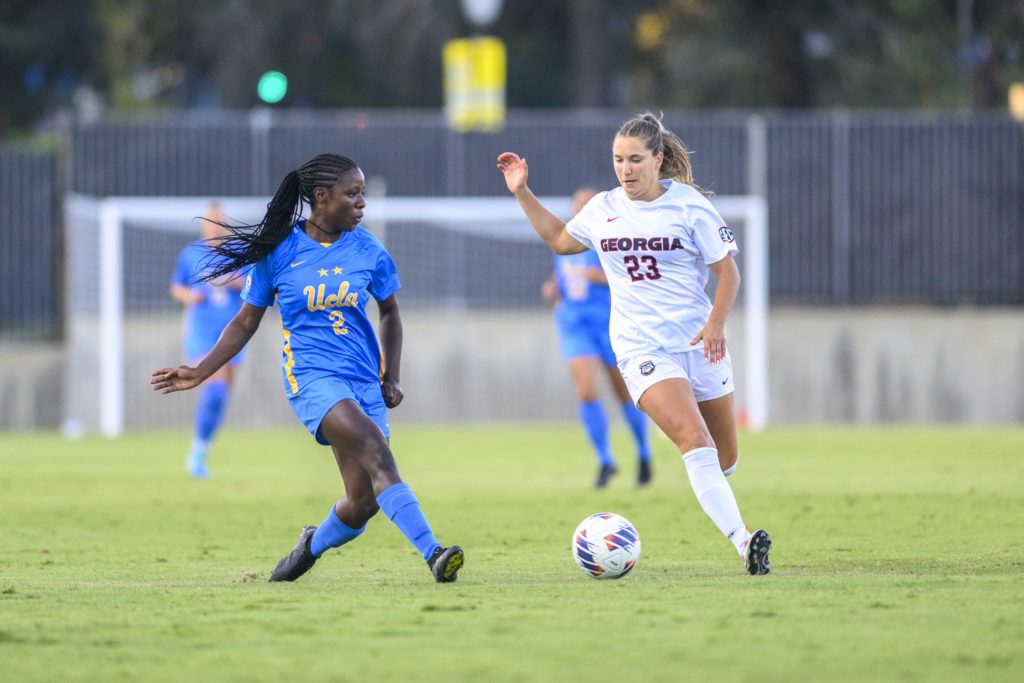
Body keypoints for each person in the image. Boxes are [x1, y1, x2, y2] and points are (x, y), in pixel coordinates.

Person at [152, 153, 464, 584]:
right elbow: (245, 321)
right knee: (379, 454)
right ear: (322, 198)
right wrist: (202, 370)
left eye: (363, 195)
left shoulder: (368, 248)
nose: (361, 203)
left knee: (362, 503)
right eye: (352, 194)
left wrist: (391, 374)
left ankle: (309, 548)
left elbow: (390, 312)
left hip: (363, 380)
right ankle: (434, 553)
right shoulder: (279, 253)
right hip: (313, 379)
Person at [497, 112, 772, 575]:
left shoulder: (689, 206)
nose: (625, 169)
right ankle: (745, 544)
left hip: (700, 342)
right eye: (618, 160)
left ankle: (711, 487)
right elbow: (561, 241)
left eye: (635, 160)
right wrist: (522, 191)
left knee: (725, 459)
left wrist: (718, 325)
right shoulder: (604, 208)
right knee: (694, 439)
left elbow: (728, 272)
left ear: (658, 159)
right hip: (642, 348)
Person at [541, 187, 652, 488]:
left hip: (611, 325)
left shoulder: (612, 240)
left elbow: (636, 276)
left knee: (625, 394)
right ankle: (605, 460)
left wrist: (599, 278)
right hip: (575, 327)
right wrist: (553, 288)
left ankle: (643, 452)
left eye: (585, 205)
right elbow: (564, 276)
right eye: (577, 205)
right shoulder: (567, 240)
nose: (580, 210)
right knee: (587, 391)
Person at [169, 202, 245, 479]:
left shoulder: (238, 253)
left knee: (221, 395)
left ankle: (202, 449)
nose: (214, 225)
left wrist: (238, 282)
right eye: (209, 220)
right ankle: (197, 454)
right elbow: (177, 287)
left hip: (232, 335)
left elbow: (255, 288)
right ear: (203, 224)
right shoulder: (191, 254)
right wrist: (192, 296)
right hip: (201, 333)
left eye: (219, 220)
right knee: (214, 389)